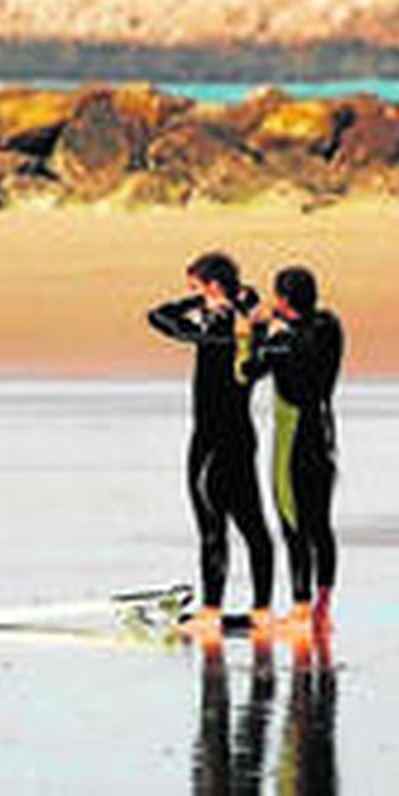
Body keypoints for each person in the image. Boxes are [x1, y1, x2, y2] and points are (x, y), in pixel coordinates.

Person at [148, 252, 275, 641]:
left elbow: (159, 316)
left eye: (195, 288)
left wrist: (203, 307)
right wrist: (237, 298)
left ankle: (210, 611)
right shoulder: (254, 326)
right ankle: (263, 612)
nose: (192, 296)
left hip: (211, 441)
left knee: (211, 526)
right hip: (242, 437)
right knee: (253, 525)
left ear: (213, 287)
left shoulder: (215, 325)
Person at [244, 266, 345, 634]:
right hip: (322, 432)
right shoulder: (330, 326)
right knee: (320, 524)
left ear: (283, 300)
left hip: (292, 440)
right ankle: (322, 609)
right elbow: (309, 330)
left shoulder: (283, 343)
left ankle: (301, 609)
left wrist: (256, 331)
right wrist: (281, 323)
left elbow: (247, 370)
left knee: (291, 521)